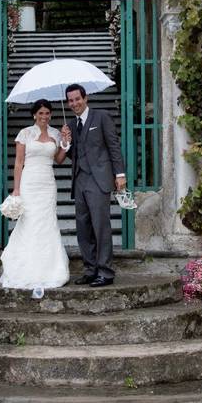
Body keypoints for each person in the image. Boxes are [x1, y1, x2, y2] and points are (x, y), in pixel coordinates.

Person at [0, 99, 70, 291]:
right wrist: (16, 189)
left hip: (47, 183)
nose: (44, 117)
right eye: (40, 113)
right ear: (34, 115)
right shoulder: (25, 133)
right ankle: (24, 267)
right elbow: (19, 162)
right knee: (29, 222)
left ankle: (50, 269)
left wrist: (65, 143)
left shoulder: (56, 133)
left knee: (47, 223)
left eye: (47, 113)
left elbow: (59, 160)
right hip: (29, 182)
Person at [60, 84, 125, 287]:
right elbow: (73, 155)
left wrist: (120, 174)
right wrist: (65, 142)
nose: (74, 103)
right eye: (70, 100)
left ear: (85, 98)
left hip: (99, 179)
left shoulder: (101, 117)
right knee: (83, 228)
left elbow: (113, 146)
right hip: (79, 180)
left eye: (77, 99)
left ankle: (105, 272)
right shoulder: (70, 124)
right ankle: (90, 269)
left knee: (101, 226)